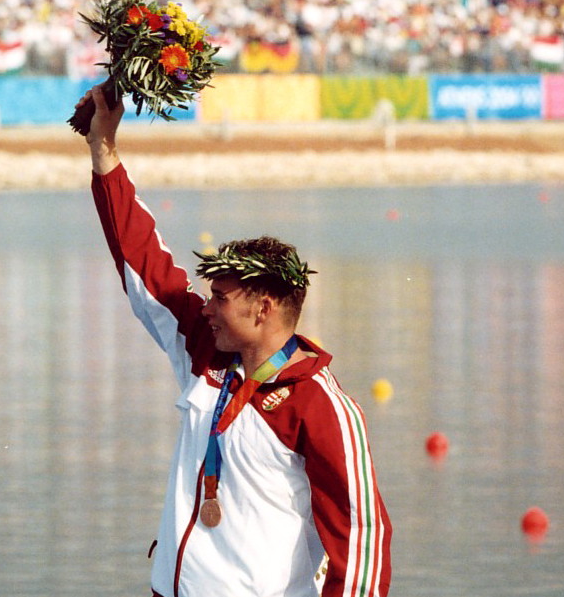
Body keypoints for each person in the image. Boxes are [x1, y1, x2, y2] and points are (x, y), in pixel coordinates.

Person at [79, 84, 392, 597]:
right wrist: (104, 152)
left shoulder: (320, 407)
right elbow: (144, 265)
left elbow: (362, 543)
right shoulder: (206, 355)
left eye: (220, 297)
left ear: (263, 308)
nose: (205, 308)